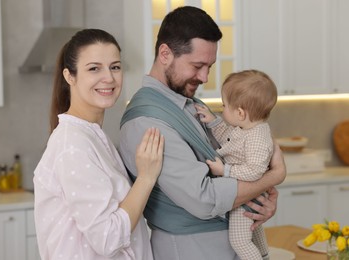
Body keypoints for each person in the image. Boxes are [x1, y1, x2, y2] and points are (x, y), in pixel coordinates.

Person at [119, 6, 286, 260]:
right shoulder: (147, 121)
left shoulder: (189, 104)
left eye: (209, 66)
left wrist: (260, 201)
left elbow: (236, 155)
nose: (205, 77)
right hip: (191, 250)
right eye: (197, 65)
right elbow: (204, 198)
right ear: (165, 54)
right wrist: (273, 176)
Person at [33, 29, 164, 260]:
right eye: (94, 68)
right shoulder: (73, 145)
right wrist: (146, 178)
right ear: (69, 76)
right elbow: (108, 238)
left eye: (115, 66)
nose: (109, 78)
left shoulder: (91, 135)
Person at [195, 69, 278, 260]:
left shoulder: (257, 137)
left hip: (249, 196)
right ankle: (264, 255)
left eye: (224, 106)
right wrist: (214, 121)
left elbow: (255, 171)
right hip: (252, 194)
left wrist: (225, 170)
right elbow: (230, 139)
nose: (222, 109)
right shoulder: (246, 128)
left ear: (240, 113)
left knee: (239, 240)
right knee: (253, 230)